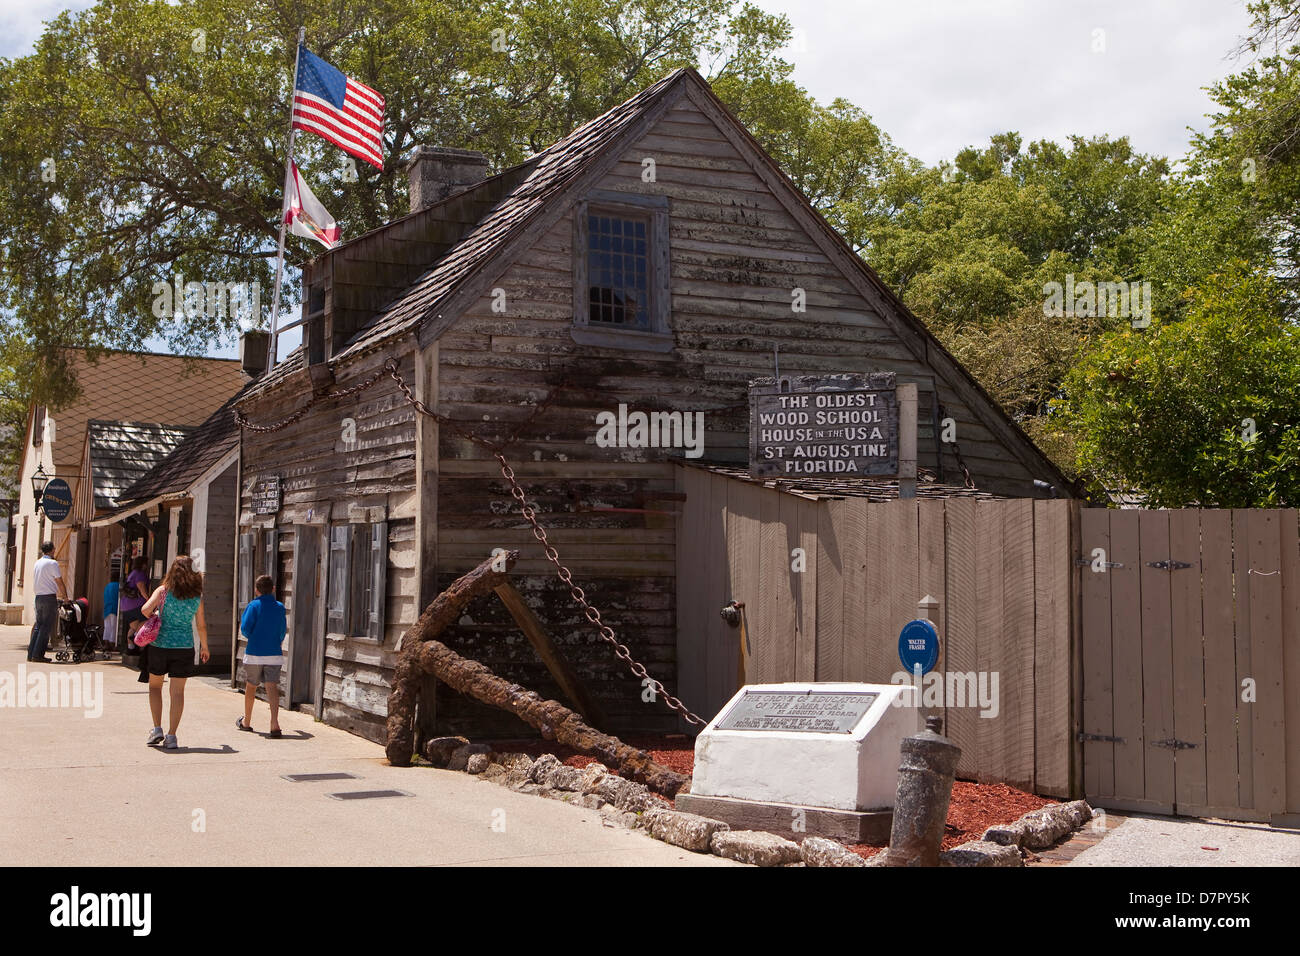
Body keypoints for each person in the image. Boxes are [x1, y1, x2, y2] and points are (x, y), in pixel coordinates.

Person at [138, 555, 209, 749]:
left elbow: (145, 609)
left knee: (155, 687)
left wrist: (156, 614)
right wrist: (204, 646)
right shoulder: (196, 597)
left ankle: (157, 728)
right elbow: (201, 625)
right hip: (184, 647)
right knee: (177, 692)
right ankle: (172, 736)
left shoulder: (163, 591)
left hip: (160, 645)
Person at [236, 575, 287, 738]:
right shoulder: (279, 607)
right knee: (271, 687)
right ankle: (274, 724)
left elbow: (245, 628)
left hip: (255, 653)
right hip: (273, 652)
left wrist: (254, 635)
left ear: (256, 590)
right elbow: (281, 630)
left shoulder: (253, 605)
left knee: (251, 685)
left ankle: (247, 721)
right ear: (273, 589)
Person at [28, 541, 68, 662]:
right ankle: (38, 655)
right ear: (51, 550)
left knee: (39, 626)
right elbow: (59, 580)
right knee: (46, 627)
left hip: (38, 597)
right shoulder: (52, 563)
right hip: (48, 597)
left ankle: (31, 653)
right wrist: (65, 596)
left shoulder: (37, 562)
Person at [119, 557, 151, 643]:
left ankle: (131, 649)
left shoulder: (132, 574)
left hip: (126, 606)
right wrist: (150, 601)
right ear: (143, 564)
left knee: (133, 627)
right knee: (148, 621)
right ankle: (135, 636)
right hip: (136, 605)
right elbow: (142, 589)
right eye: (146, 564)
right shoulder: (140, 574)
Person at [102, 578, 120, 649]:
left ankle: (106, 644)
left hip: (106, 608)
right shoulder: (118, 585)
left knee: (107, 627)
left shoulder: (107, 586)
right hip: (114, 608)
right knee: (114, 627)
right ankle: (112, 644)